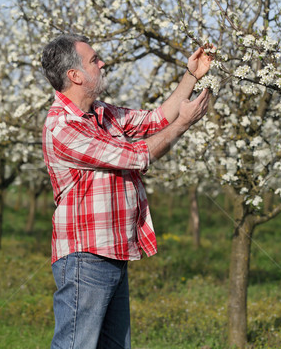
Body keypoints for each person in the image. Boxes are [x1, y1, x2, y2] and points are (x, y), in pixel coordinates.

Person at [41, 33, 213, 349]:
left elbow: (156, 119)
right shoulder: (62, 125)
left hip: (113, 250)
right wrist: (183, 126)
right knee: (76, 345)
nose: (102, 63)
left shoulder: (103, 113)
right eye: (94, 60)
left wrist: (191, 75)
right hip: (86, 254)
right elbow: (136, 156)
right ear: (75, 75)